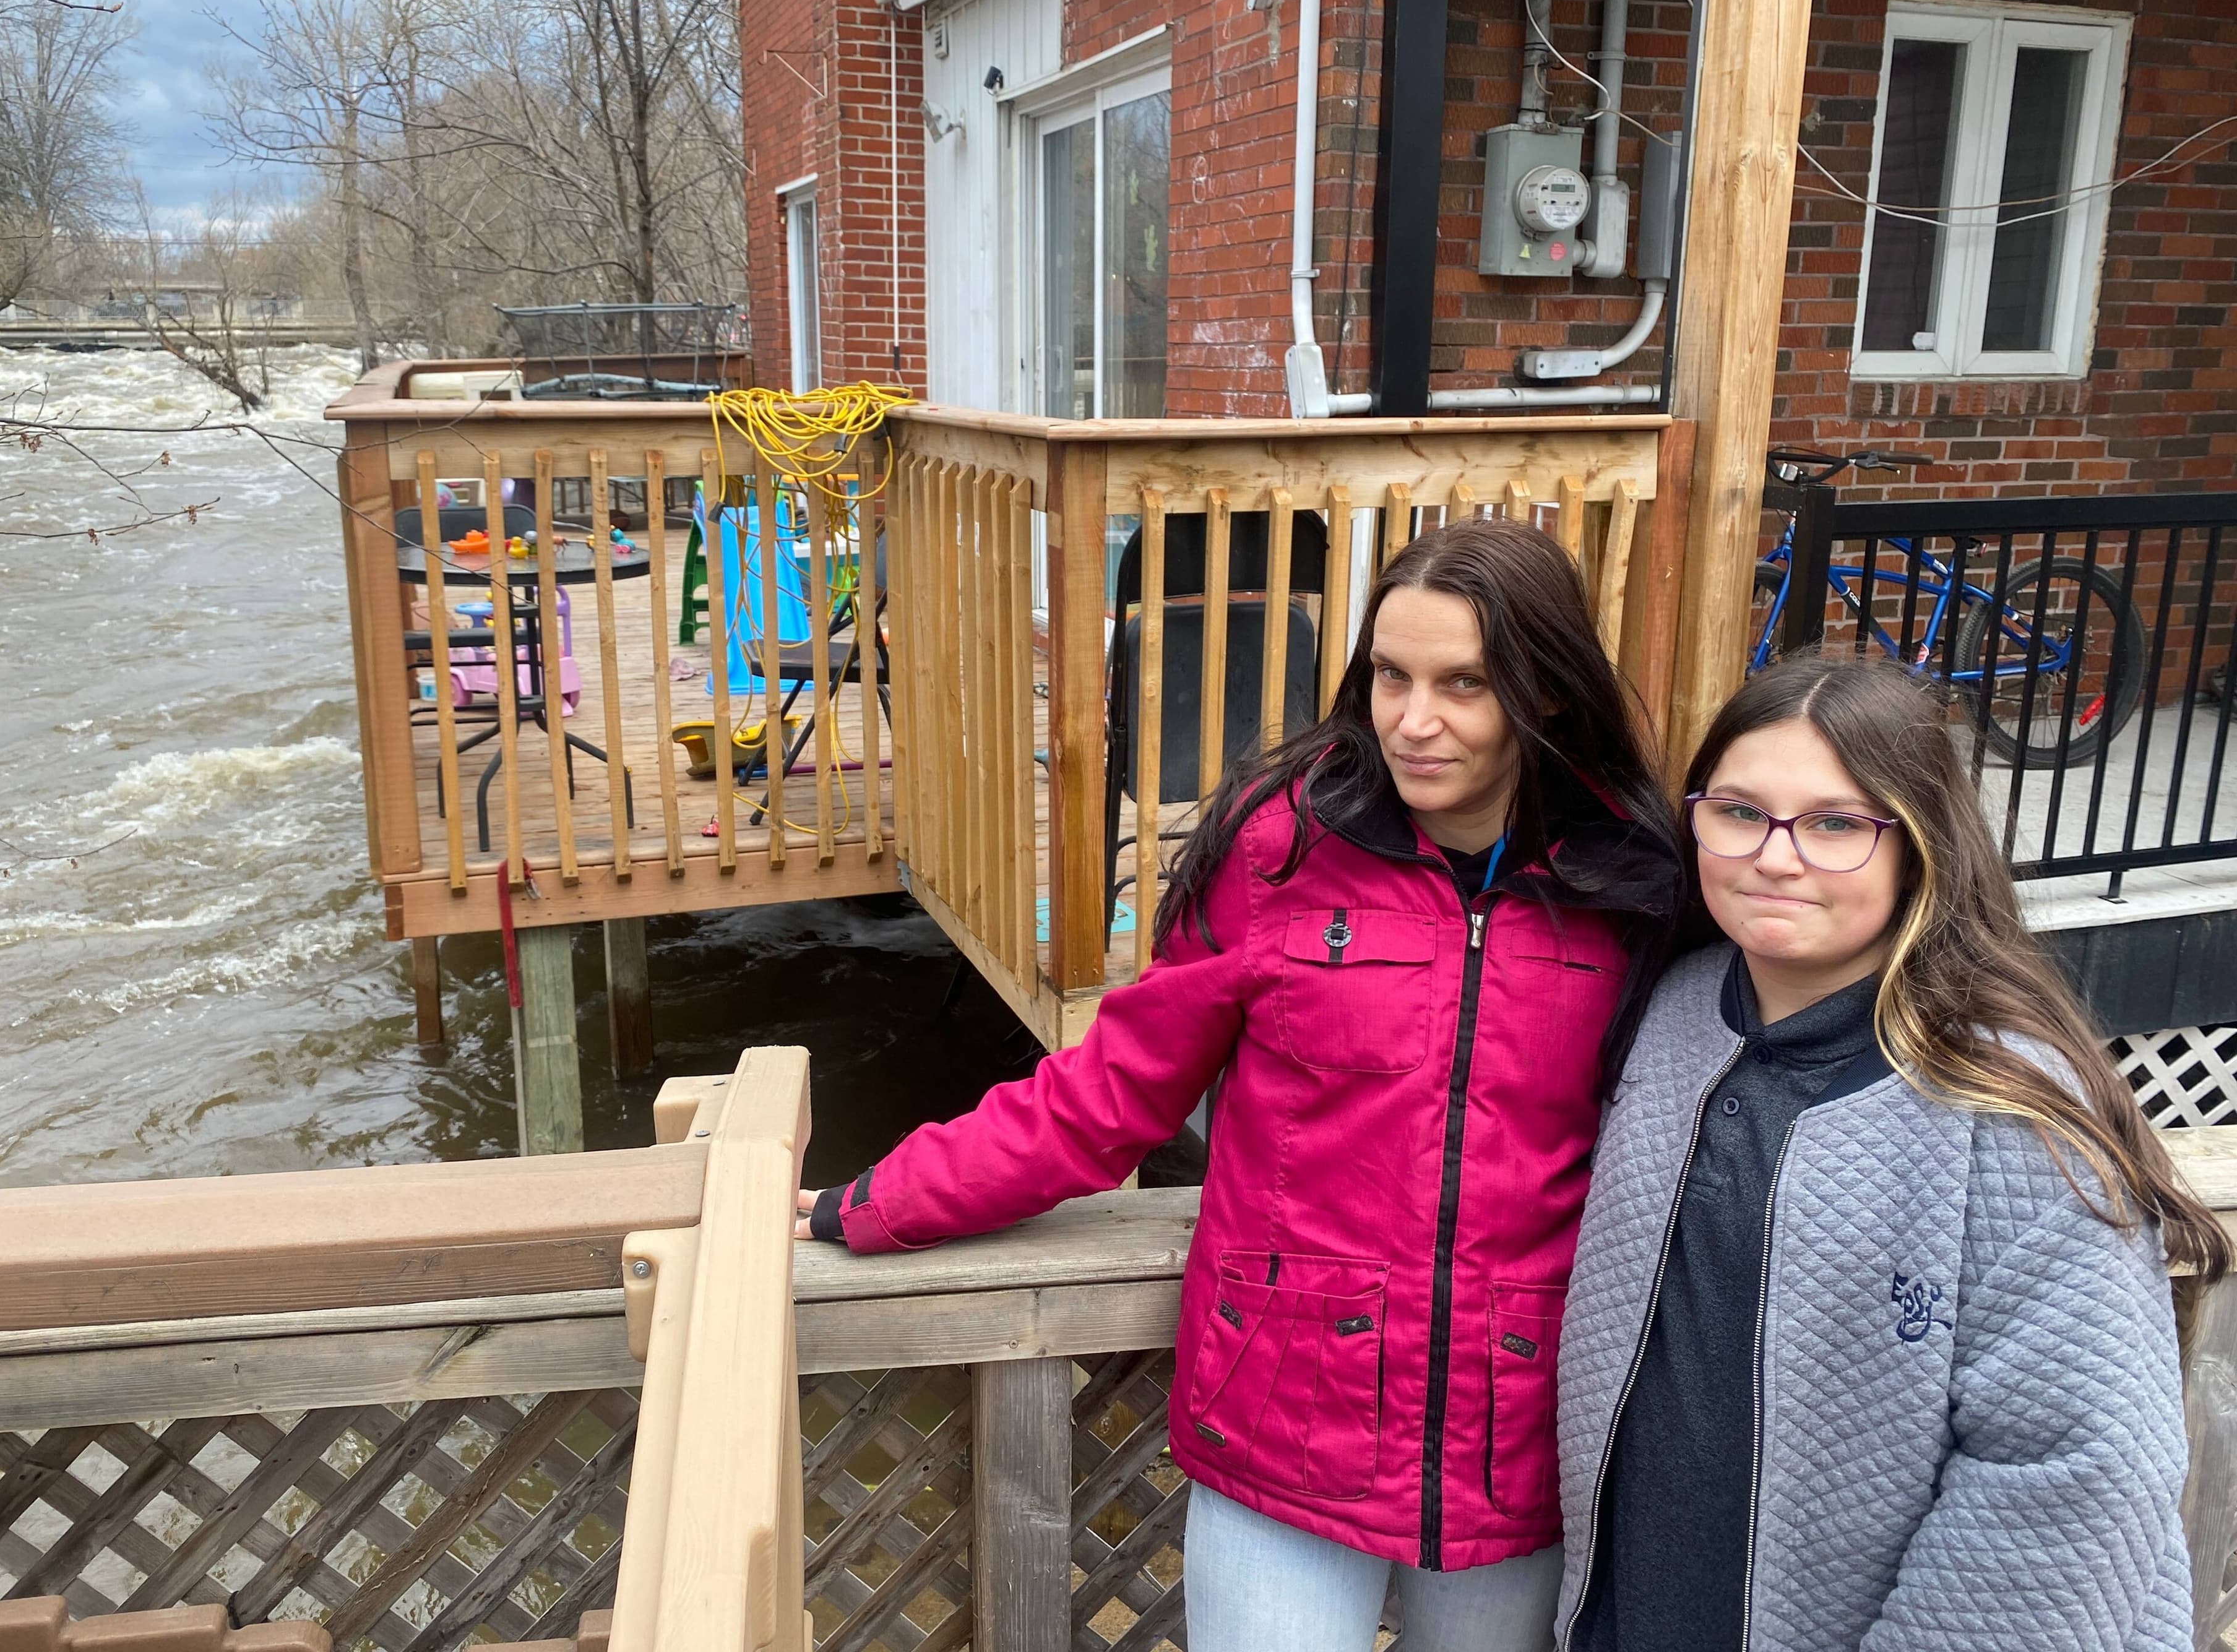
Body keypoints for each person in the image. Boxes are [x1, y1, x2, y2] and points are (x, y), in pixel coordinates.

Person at [798, 518, 1681, 1651]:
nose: (1414, 721)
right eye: (1392, 676)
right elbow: (1108, 1095)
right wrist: (869, 1203)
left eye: (1464, 684)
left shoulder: (1634, 884)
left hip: (1515, 1443)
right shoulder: (1281, 850)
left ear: (1546, 690)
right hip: (1285, 1419)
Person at [1556, 654, 2229, 1652]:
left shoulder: (2012, 1110)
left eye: (1835, 825)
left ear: (1917, 844)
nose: (1776, 856)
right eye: (1738, 812)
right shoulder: (1668, 1013)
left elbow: (2081, 1473)